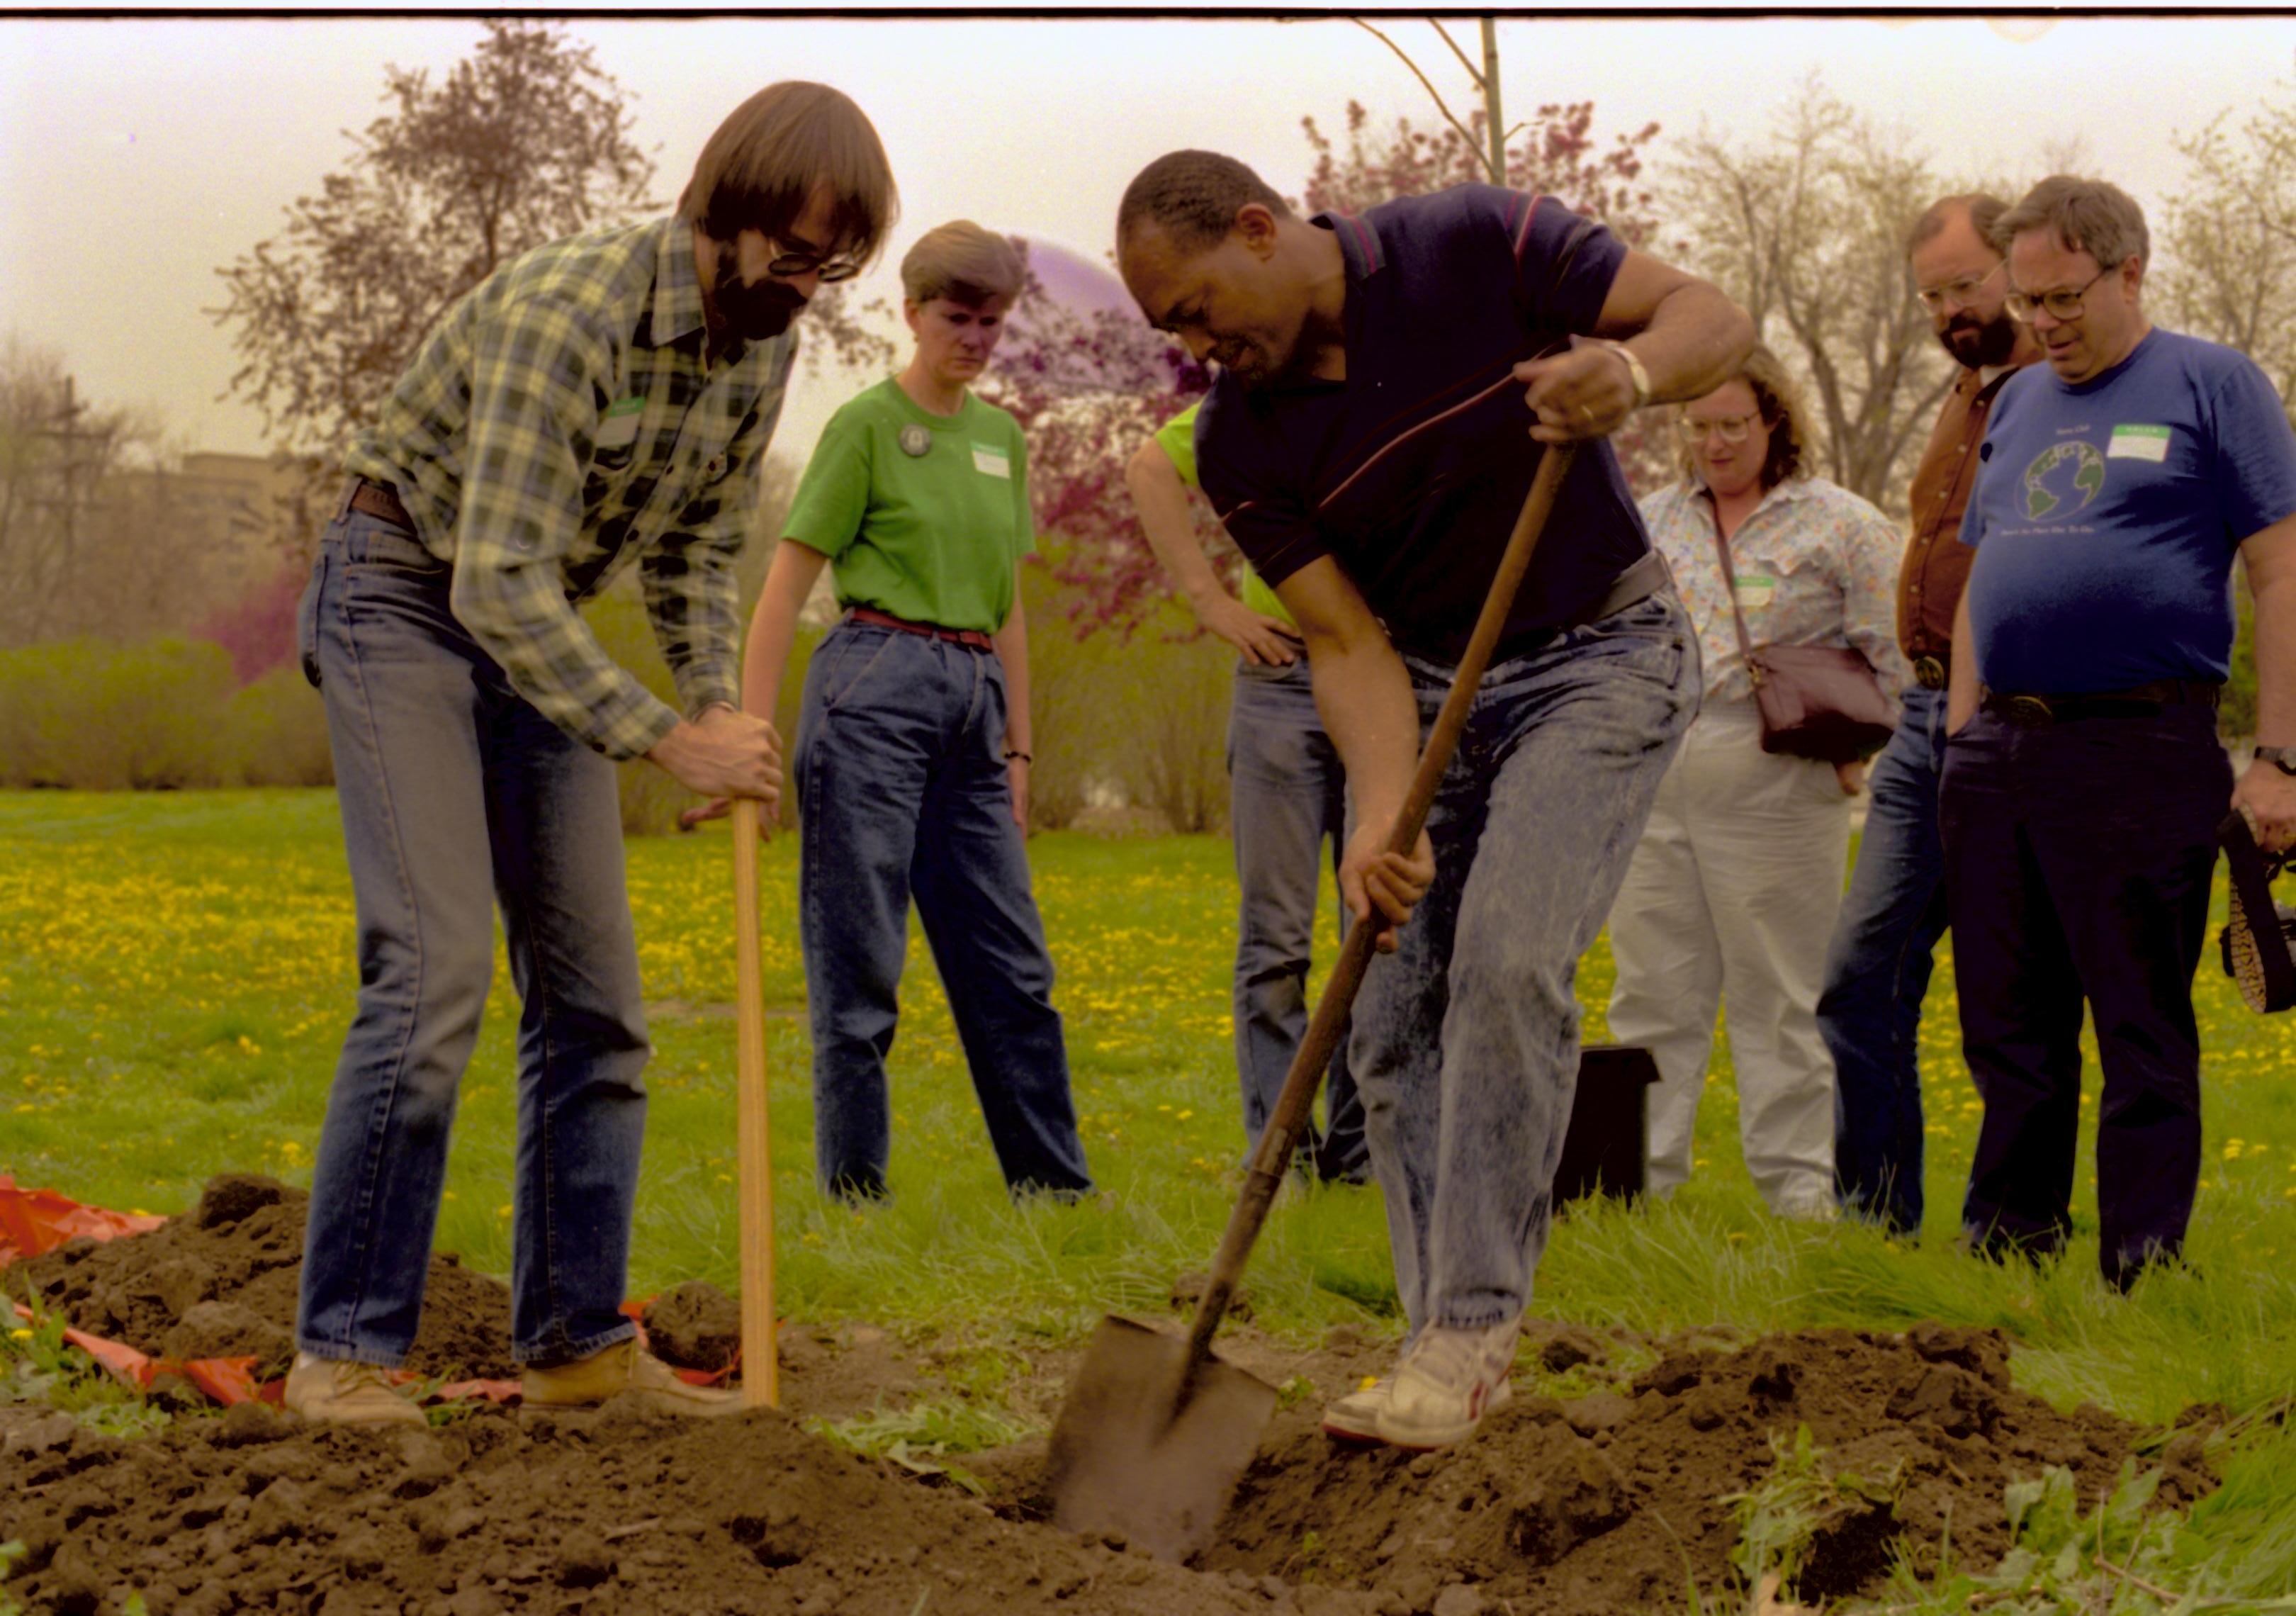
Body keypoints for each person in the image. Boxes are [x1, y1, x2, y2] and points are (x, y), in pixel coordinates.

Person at [1118, 150, 1750, 1449]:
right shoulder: (1242, 440)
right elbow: (1347, 646)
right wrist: (1380, 821)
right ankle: (1434, 1351)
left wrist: (1626, 373)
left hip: (1605, 654)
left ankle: (1469, 1335)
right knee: (1393, 1014)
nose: (1192, 346)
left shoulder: (1470, 243)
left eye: (1193, 308)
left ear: (1257, 230)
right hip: (1431, 687)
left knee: (1512, 961)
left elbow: (1710, 316)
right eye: (1168, 328)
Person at [286, 83, 898, 1426]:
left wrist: (720, 705)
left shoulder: (765, 342)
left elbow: (690, 549)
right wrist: (665, 740)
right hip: (403, 593)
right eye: (791, 254)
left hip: (535, 617)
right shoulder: (573, 314)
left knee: (599, 1005)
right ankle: (344, 1352)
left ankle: (571, 1344)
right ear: (721, 210)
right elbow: (494, 580)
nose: (807, 290)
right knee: (433, 973)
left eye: (834, 266)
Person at [1945, 174, 2296, 1290]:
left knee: (2140, 1024)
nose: (2041, 325)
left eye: (2062, 300)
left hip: (2140, 750)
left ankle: (2141, 1272)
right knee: (2008, 1026)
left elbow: (2281, 567)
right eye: (2027, 303)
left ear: (2129, 271)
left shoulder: (2212, 380)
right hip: (2002, 754)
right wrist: (1961, 736)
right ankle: (2010, 1254)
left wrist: (2280, 756)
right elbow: (1981, 573)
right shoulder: (2017, 404)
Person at [728, 220, 1093, 1205]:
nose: (974, 338)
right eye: (956, 317)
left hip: (975, 703)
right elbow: (783, 587)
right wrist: (751, 748)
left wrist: (1021, 749)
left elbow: (1008, 602)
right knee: (863, 971)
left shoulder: (1000, 439)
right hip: (872, 687)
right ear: (914, 314)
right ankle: (856, 1199)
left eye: (991, 321)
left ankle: (1056, 1191)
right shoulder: (868, 426)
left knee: (1014, 970)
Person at [1606, 347, 1909, 1220]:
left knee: (1781, 994)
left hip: (1778, 773)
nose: (1715, 443)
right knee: (1653, 988)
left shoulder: (1840, 523)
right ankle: (1641, 1188)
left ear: (1774, 421)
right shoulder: (1649, 518)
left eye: (1732, 424)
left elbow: (1896, 657)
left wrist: (1860, 749)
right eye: (1697, 427)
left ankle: (1798, 1195)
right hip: (1656, 768)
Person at [1817, 195, 2045, 1236]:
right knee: (1862, 975)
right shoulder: (1961, 394)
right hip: (1919, 716)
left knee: (2012, 999)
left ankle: (2010, 1238)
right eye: (1934, 294)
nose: (1952, 307)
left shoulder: (2061, 393)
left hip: (2014, 721)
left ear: (2018, 266)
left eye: (1968, 284)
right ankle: (1877, 1227)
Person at [1125, 401, 1368, 1183]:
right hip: (1278, 677)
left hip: (1388, 676)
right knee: (1277, 939)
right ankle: (1280, 1154)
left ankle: (1364, 1157)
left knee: (1379, 929)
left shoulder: (1400, 375)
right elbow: (1152, 467)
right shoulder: (1268, 391)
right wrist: (1208, 599)